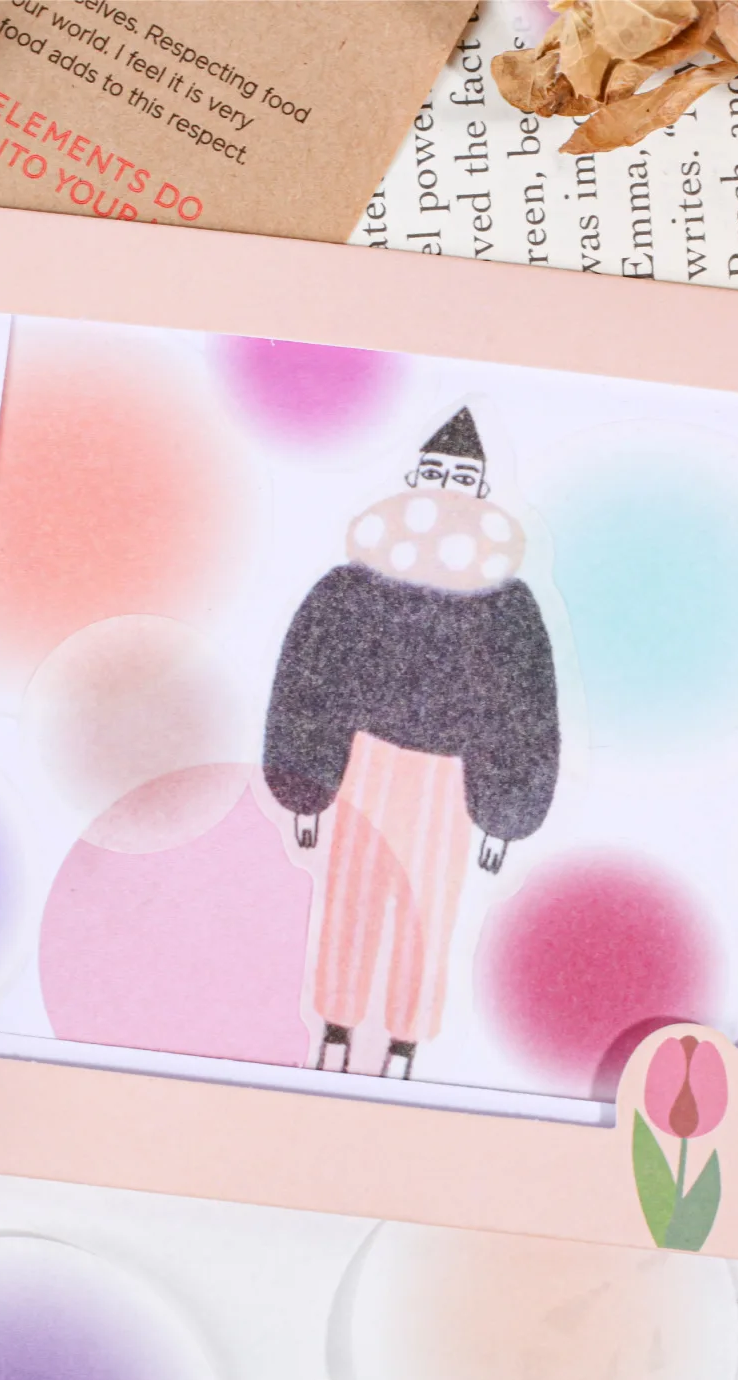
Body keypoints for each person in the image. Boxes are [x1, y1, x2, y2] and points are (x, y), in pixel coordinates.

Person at [263, 407, 560, 1078]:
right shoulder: (349, 588)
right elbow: (309, 680)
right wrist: (305, 789)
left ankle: (405, 1046)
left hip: (448, 784)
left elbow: (525, 710)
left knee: (429, 912)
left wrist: (505, 815)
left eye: (461, 478)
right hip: (363, 764)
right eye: (434, 473)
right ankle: (335, 1030)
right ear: (413, 479)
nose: (445, 490)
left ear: (481, 491)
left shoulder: (507, 605)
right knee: (350, 900)